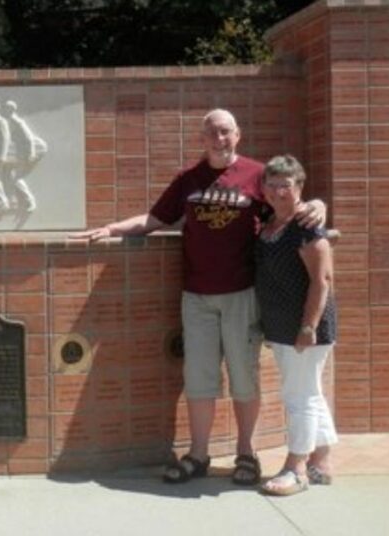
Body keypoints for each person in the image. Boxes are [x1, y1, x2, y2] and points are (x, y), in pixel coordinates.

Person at [70, 109, 326, 485]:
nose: (218, 139)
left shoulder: (257, 175)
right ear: (202, 139)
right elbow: (154, 219)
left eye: (225, 132)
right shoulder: (188, 179)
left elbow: (291, 205)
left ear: (237, 134)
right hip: (197, 295)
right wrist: (109, 228)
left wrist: (318, 205)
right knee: (199, 379)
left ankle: (245, 454)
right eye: (211, 133)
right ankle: (198, 454)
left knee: (244, 378)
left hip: (242, 293)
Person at [255, 155, 338, 496]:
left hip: (305, 328)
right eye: (271, 185)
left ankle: (296, 468)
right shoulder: (269, 221)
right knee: (310, 392)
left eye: (285, 186)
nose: (277, 192)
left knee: (298, 396)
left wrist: (308, 326)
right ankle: (322, 462)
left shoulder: (306, 226)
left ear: (299, 187)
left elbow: (323, 281)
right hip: (281, 325)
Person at [3, 100, 44, 212]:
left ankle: (29, 201)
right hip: (13, 155)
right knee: (8, 177)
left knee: (14, 178)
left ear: (11, 110)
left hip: (22, 155)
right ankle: (12, 203)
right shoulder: (8, 120)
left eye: (6, 108)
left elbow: (29, 138)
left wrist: (31, 154)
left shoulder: (17, 121)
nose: (4, 110)